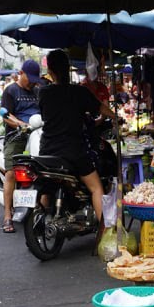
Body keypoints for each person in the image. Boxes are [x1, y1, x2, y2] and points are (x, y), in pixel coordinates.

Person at [38, 49, 116, 232]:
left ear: (50, 70)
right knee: (96, 188)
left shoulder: (43, 93)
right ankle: (106, 233)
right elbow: (101, 108)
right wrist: (115, 118)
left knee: (45, 188)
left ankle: (40, 222)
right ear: (68, 68)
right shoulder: (79, 92)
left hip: (47, 150)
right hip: (73, 150)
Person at [0, 60, 42, 233]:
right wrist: (20, 125)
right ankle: (7, 215)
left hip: (38, 134)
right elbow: (5, 116)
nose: (31, 82)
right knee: (11, 173)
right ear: (21, 73)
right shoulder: (10, 90)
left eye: (34, 79)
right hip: (17, 135)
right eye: (29, 78)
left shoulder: (37, 91)